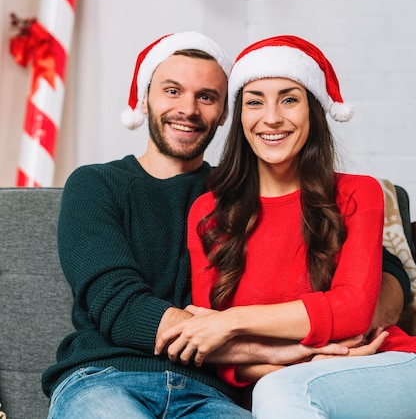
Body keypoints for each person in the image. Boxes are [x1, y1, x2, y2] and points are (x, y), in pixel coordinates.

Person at [43, 31, 362, 419]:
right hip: (104, 377)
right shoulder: (95, 185)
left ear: (225, 113)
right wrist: (270, 350)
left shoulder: (243, 194)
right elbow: (121, 307)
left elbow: (375, 268)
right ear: (145, 99)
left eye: (206, 97)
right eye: (172, 91)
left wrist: (360, 318)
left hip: (208, 394)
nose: (188, 109)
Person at [156, 35, 416, 418]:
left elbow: (353, 309)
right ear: (240, 116)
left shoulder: (359, 193)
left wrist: (230, 322)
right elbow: (213, 348)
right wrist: (303, 359)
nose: (272, 117)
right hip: (286, 387)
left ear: (312, 111)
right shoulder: (208, 213)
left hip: (382, 365)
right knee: (279, 392)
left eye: (289, 99)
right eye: (255, 101)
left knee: (279, 392)